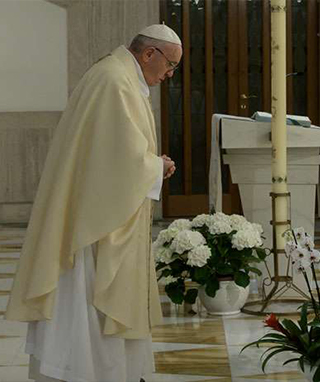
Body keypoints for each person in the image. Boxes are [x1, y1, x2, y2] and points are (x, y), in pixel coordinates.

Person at [5, 24, 182, 382]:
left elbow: (112, 151)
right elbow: (117, 161)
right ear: (149, 53)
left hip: (99, 211)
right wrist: (155, 166)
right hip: (95, 224)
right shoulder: (114, 81)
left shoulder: (118, 76)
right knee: (91, 300)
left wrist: (148, 165)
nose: (169, 74)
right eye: (170, 65)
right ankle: (91, 372)